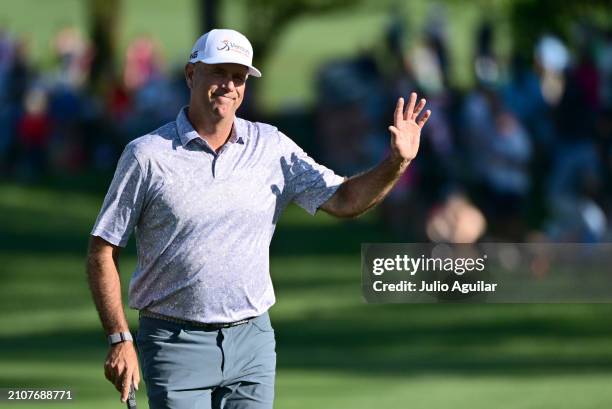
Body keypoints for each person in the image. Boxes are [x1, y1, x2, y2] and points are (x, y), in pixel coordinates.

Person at [86, 28, 430, 409]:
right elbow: (103, 250)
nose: (229, 85)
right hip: (173, 342)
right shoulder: (147, 156)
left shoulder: (271, 147)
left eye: (239, 77)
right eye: (218, 72)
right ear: (190, 74)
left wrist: (397, 162)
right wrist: (119, 339)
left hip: (252, 342)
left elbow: (346, 199)